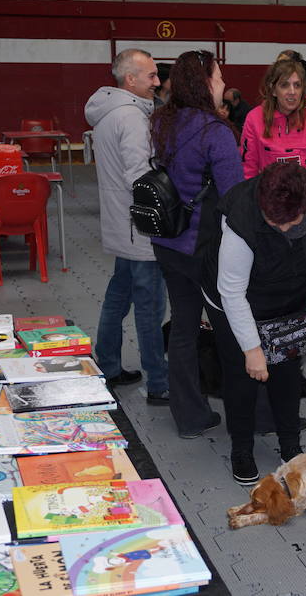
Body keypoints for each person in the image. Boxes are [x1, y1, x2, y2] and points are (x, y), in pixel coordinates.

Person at [207, 161, 306, 484]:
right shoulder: (240, 219)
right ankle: (241, 448)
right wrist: (252, 350)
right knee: (242, 375)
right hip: (237, 298)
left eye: (290, 223)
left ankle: (289, 443)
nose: (283, 230)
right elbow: (232, 292)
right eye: (274, 223)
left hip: (288, 291)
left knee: (288, 369)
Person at [149, 50, 244, 439]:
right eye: (218, 77)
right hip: (205, 248)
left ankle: (189, 416)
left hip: (168, 240)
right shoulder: (215, 132)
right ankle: (254, 416)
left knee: (184, 328)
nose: (223, 84)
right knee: (234, 332)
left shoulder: (163, 122)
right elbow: (234, 196)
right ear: (205, 83)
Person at [84, 49, 169, 403]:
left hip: (121, 225)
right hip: (141, 229)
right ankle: (159, 384)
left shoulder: (107, 112)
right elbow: (141, 178)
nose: (157, 81)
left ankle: (109, 366)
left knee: (117, 298)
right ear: (130, 80)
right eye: (151, 75)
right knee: (150, 308)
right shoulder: (132, 117)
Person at [239, 59, 306, 181]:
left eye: (297, 85)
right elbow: (247, 168)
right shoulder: (255, 119)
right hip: (268, 192)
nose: (292, 92)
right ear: (273, 89)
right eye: (284, 85)